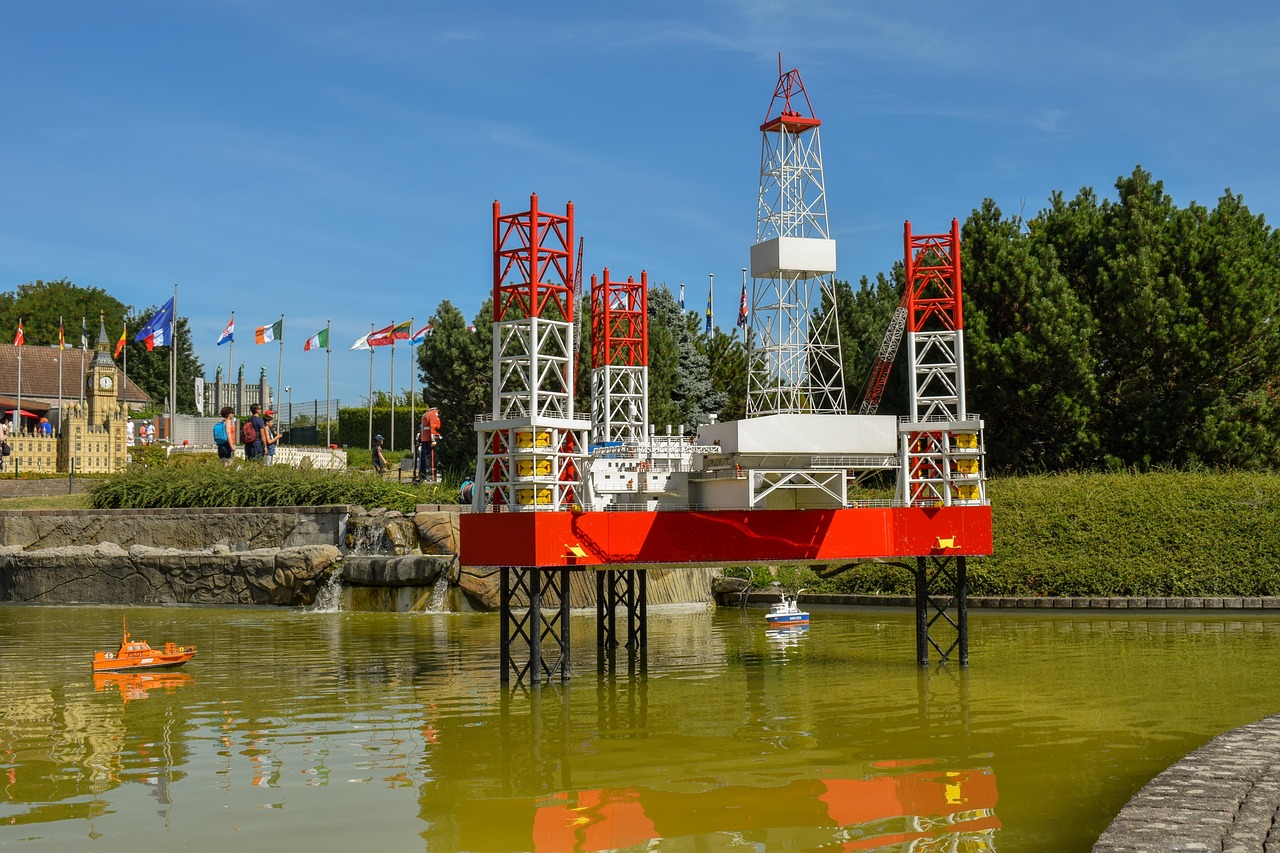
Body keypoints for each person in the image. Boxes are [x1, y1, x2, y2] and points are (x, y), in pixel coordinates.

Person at [417, 404, 442, 482]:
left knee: (425, 459)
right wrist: (434, 439)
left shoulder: (426, 414)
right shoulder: (434, 413)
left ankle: (424, 476)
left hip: (425, 439)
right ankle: (431, 476)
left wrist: (420, 439)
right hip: (430, 440)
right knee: (431, 460)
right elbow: (434, 426)